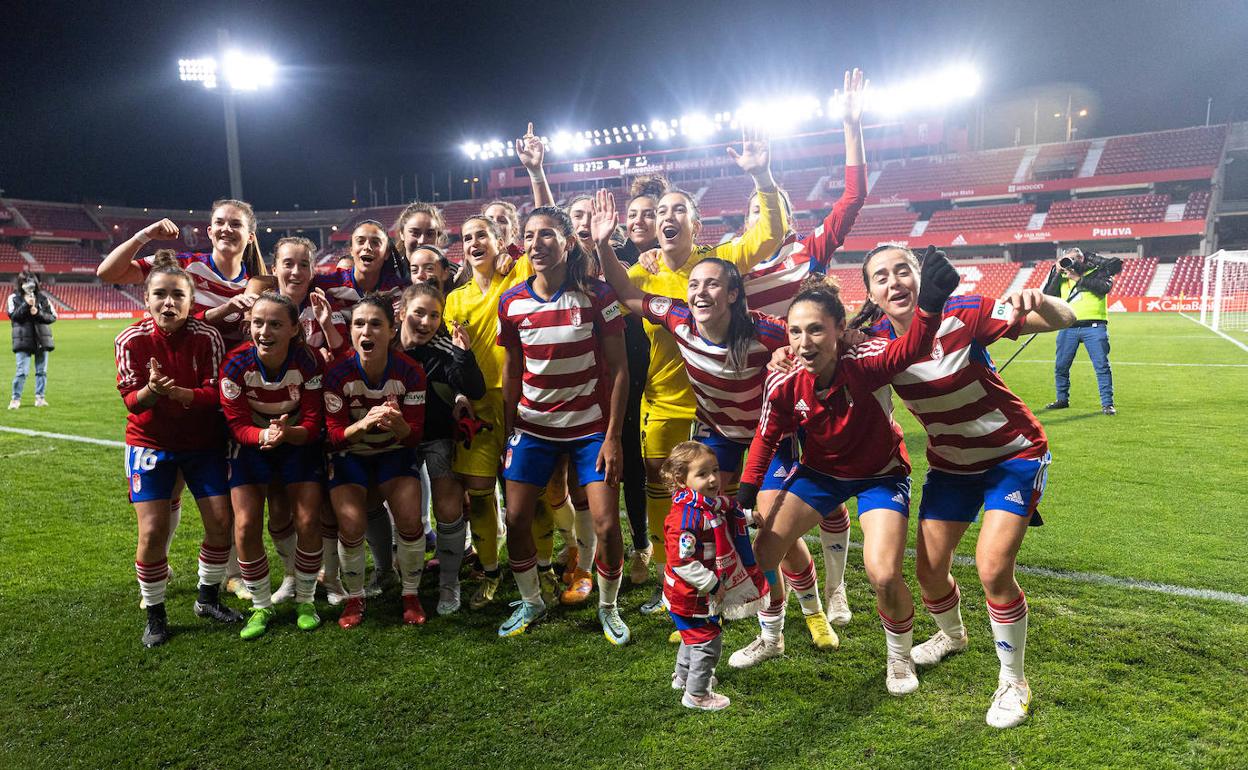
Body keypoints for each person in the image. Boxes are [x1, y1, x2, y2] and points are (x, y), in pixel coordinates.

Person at [851, 244, 1074, 727]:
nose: (895, 283)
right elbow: (825, 358)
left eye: (903, 271)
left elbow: (1064, 317)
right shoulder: (872, 344)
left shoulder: (965, 311)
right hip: (952, 466)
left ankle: (1014, 681)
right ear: (870, 292)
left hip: (1014, 455)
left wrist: (1041, 300)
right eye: (882, 277)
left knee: (993, 570)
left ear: (919, 275)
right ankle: (952, 635)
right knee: (930, 574)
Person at [734, 249, 960, 692]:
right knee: (763, 554)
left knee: (882, 574)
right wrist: (746, 491)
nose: (804, 342)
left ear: (841, 330)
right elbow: (765, 436)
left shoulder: (867, 358)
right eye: (795, 332)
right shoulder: (782, 378)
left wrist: (929, 307)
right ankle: (771, 637)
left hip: (881, 475)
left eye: (816, 329)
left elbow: (913, 347)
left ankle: (899, 661)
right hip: (820, 474)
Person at [624, 127, 787, 614]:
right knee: (667, 491)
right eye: (659, 213)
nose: (665, 218)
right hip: (662, 400)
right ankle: (666, 575)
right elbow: (616, 292)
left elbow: (769, 234)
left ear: (695, 222)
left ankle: (764, 593)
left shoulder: (717, 263)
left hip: (719, 411)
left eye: (677, 210)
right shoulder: (643, 272)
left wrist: (761, 176)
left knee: (740, 504)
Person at [495, 206, 630, 643]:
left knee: (608, 525)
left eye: (548, 234)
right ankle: (532, 601)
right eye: (530, 235)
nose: (537, 243)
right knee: (516, 518)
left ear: (568, 242)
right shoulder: (511, 301)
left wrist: (612, 437)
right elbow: (512, 371)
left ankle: (608, 606)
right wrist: (505, 431)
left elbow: (620, 370)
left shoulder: (598, 296)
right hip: (533, 428)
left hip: (590, 430)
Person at [114, 252, 243, 647]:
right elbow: (131, 401)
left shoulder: (209, 337)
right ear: (147, 299)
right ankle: (155, 614)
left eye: (177, 296)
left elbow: (214, 396)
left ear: (191, 303)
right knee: (152, 531)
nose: (168, 302)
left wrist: (180, 392)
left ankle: (207, 598)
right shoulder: (131, 339)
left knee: (221, 524)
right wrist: (153, 390)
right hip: (151, 444)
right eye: (160, 295)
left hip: (203, 445)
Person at [219, 292, 327, 639]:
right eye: (258, 322)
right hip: (252, 445)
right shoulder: (235, 365)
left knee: (308, 519)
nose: (264, 331)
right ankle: (261, 606)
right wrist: (265, 435)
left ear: (295, 329)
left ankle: (306, 600)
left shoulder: (307, 362)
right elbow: (236, 425)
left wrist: (287, 433)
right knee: (246, 524)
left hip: (296, 443)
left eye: (276, 324)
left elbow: (313, 421)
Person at [321, 294, 428, 629]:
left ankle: (410, 594)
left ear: (392, 330)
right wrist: (363, 424)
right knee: (351, 525)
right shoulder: (337, 374)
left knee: (410, 520)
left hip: (394, 454)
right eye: (359, 324)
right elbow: (332, 437)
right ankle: (355, 597)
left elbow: (414, 437)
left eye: (376, 324)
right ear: (351, 332)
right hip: (351, 456)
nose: (366, 331)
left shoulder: (410, 372)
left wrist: (398, 425)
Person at [399, 282, 487, 615]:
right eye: (419, 312)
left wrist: (464, 354)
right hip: (396, 440)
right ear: (403, 311)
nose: (426, 321)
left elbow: (474, 388)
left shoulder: (443, 347)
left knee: (449, 508)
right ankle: (387, 572)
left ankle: (450, 583)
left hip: (436, 437)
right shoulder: (385, 345)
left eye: (434, 315)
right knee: (398, 512)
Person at [659, 441, 751, 711]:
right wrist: (712, 584)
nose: (713, 479)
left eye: (715, 470)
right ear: (681, 479)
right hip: (690, 595)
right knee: (707, 640)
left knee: (691, 636)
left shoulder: (704, 505)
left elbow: (726, 514)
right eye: (702, 474)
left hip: (687, 594)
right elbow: (682, 561)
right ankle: (697, 694)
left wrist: (750, 516)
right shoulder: (686, 517)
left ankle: (683, 676)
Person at [1043, 248, 1122, 415]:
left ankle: (1107, 404)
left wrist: (1078, 279)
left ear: (1082, 259)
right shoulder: (1062, 275)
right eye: (1067, 259)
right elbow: (1048, 296)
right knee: (1061, 366)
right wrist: (1057, 272)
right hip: (1067, 327)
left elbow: (1103, 288)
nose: (1070, 263)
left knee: (1101, 366)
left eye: (1073, 259)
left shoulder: (1098, 271)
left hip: (1094, 326)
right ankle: (1062, 399)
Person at [8, 271, 56, 409]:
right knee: (21, 372)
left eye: (31, 281)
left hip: (41, 339)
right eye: (24, 282)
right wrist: (26, 305)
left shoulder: (42, 298)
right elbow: (13, 316)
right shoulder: (14, 298)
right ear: (20, 283)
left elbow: (52, 317)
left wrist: (38, 312)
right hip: (23, 339)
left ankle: (40, 398)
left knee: (42, 371)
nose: (28, 284)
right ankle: (15, 399)